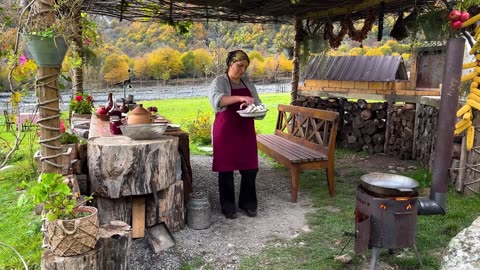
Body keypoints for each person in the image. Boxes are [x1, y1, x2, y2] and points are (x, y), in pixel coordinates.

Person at [208, 50, 263, 219]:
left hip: (245, 132)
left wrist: (259, 111)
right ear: (230, 64)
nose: (242, 70)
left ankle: (247, 204)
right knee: (226, 170)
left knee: (250, 169)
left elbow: (258, 104)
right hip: (225, 132)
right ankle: (228, 207)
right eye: (239, 65)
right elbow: (218, 100)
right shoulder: (220, 81)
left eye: (245, 67)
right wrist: (240, 99)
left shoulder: (248, 83)